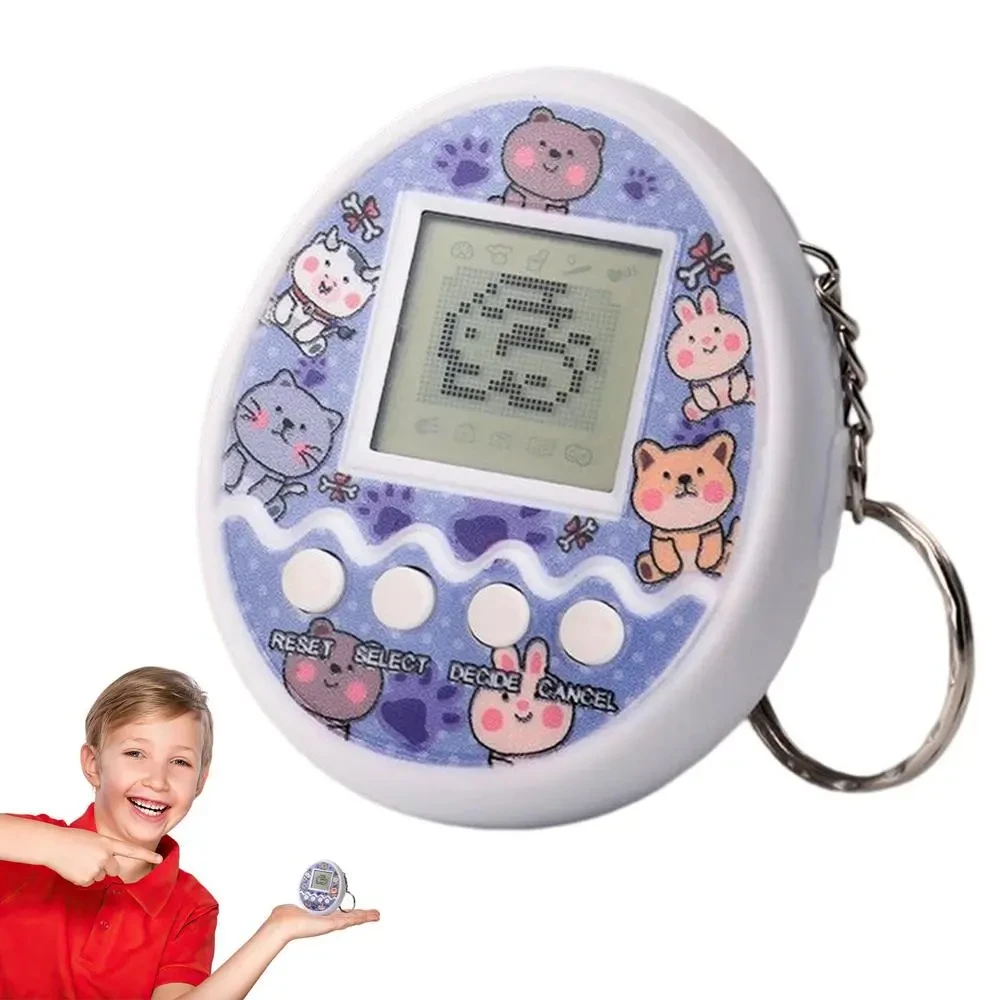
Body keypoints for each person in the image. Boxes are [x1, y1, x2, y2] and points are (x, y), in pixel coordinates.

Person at [0, 667, 379, 998]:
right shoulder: (26, 845)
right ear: (93, 765)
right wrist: (50, 845)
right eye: (135, 754)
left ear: (200, 781)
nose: (157, 780)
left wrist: (276, 931)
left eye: (180, 762)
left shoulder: (193, 907)